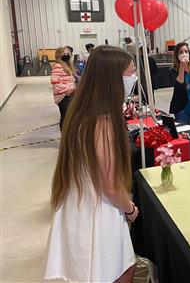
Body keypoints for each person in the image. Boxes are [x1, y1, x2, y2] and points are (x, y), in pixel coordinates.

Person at [45, 45, 138, 282]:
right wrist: (130, 208)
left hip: (79, 205)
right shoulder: (103, 124)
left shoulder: (80, 113)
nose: (133, 79)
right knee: (120, 269)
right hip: (98, 212)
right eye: (129, 74)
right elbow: (110, 185)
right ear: (113, 79)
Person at [51, 47, 76, 131]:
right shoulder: (58, 66)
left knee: (69, 117)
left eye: (67, 54)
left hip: (69, 94)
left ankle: (68, 136)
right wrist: (67, 90)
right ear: (59, 55)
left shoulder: (67, 65)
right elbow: (55, 82)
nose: (66, 55)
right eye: (64, 54)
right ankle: (65, 137)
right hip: (63, 96)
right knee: (65, 117)